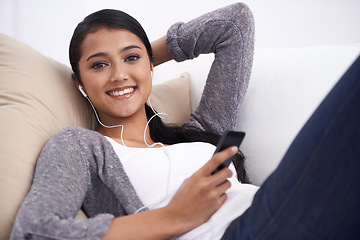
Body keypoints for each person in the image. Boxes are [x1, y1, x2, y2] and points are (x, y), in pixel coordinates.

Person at [10, 2, 360, 240]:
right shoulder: (80, 147)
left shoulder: (200, 130)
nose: (118, 75)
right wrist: (174, 216)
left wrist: (144, 62)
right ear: (79, 83)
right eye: (99, 65)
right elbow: (34, 230)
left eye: (130, 57)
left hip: (277, 210)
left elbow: (235, 24)